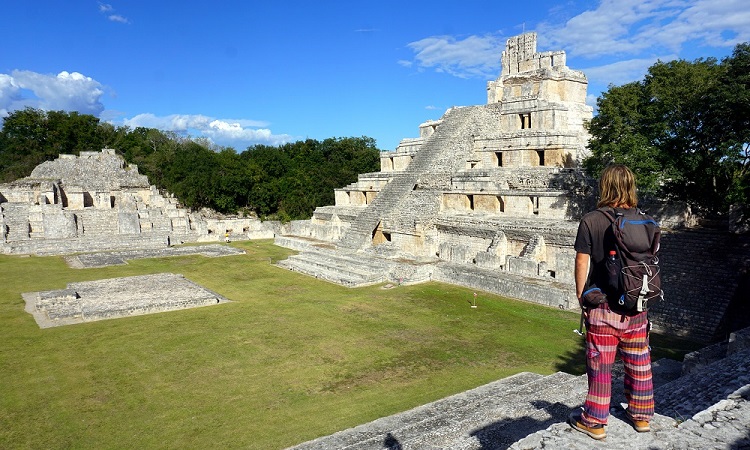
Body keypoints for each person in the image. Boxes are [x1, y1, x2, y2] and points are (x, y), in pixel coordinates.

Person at [568, 164, 654, 440]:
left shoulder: (592, 220)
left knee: (601, 365)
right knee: (639, 361)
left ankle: (594, 421)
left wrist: (581, 294)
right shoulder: (645, 220)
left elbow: (582, 260)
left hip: (603, 305)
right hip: (636, 305)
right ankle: (641, 417)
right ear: (631, 187)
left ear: (604, 186)